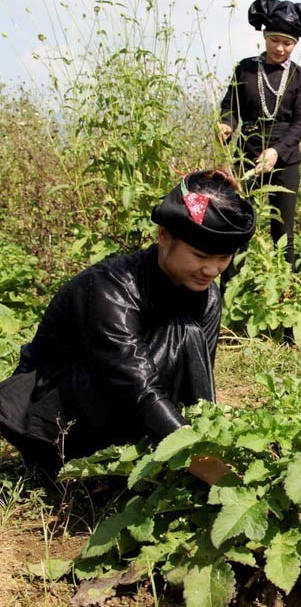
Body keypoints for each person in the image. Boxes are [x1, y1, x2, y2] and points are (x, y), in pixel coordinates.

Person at [0, 171, 256, 483]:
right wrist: (209, 467)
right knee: (183, 332)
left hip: (124, 410)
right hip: (58, 420)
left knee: (187, 333)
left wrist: (213, 439)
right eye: (200, 255)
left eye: (223, 258)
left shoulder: (206, 293)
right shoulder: (109, 287)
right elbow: (138, 388)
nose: (211, 269)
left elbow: (199, 383)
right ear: (164, 235)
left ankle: (162, 458)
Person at [218, 0, 301, 269]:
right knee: (237, 220)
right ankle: (230, 284)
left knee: (282, 228)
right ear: (264, 36)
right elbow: (231, 105)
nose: (280, 48)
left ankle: (283, 289)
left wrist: (276, 151)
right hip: (247, 155)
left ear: (296, 43)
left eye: (287, 43)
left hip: (284, 158)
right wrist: (227, 124)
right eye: (275, 40)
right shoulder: (246, 68)